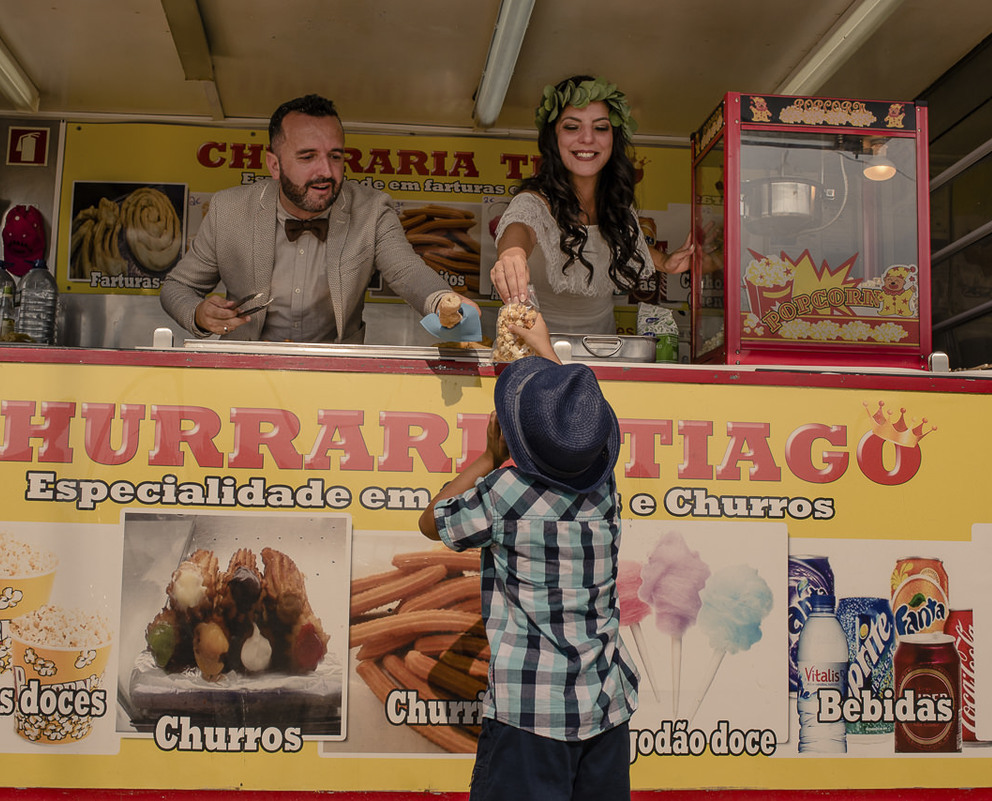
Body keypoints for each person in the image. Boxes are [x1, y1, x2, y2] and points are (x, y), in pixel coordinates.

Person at [418, 314, 638, 801]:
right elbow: (578, 428)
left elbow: (432, 521)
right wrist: (546, 349)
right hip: (605, 708)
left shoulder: (503, 494)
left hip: (529, 715)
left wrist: (486, 458)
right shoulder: (605, 491)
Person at [160, 94, 462, 343]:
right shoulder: (228, 210)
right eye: (307, 157)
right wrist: (199, 313)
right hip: (247, 372)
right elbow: (176, 287)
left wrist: (443, 302)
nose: (327, 172)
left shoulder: (372, 210)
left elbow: (407, 271)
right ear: (274, 165)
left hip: (337, 377)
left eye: (335, 156)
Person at [490, 75, 694, 334]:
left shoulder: (617, 204)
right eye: (572, 127)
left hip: (601, 349)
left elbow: (617, 243)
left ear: (613, 138)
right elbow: (520, 228)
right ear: (553, 138)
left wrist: (666, 262)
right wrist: (511, 255)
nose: (587, 139)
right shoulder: (534, 201)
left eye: (600, 127)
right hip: (534, 350)